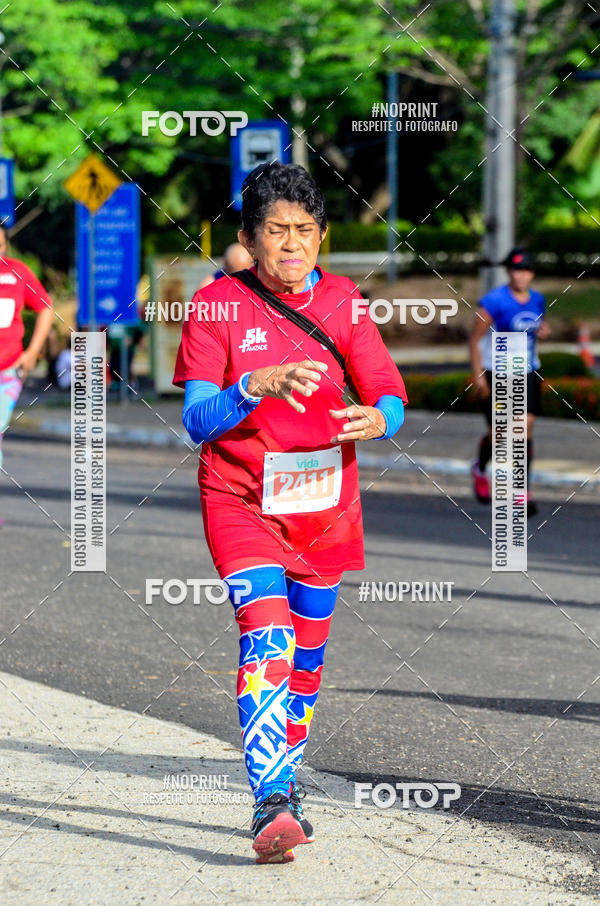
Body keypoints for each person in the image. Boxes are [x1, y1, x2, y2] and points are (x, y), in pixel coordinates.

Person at [173, 162, 407, 864]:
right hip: (241, 498)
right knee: (267, 637)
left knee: (305, 662)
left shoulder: (344, 303)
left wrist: (380, 419)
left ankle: (286, 778)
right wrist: (252, 385)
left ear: (323, 236)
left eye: (305, 231)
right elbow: (196, 422)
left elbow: (388, 391)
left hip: (324, 507)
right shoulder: (216, 305)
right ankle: (272, 799)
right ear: (248, 238)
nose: (292, 244)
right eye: (276, 231)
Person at [469, 247, 550, 517]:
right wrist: (479, 374)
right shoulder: (494, 301)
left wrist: (544, 329)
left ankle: (521, 491)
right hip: (498, 371)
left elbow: (536, 326)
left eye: (526, 270)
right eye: (516, 270)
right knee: (500, 435)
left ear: (532, 273)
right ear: (508, 272)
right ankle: (480, 468)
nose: (521, 275)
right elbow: (475, 339)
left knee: (525, 427)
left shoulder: (538, 300)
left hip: (527, 371)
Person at [0, 225, 54, 523]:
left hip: (7, 369)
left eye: (1, 245)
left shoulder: (17, 272)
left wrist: (32, 352)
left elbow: (45, 306)